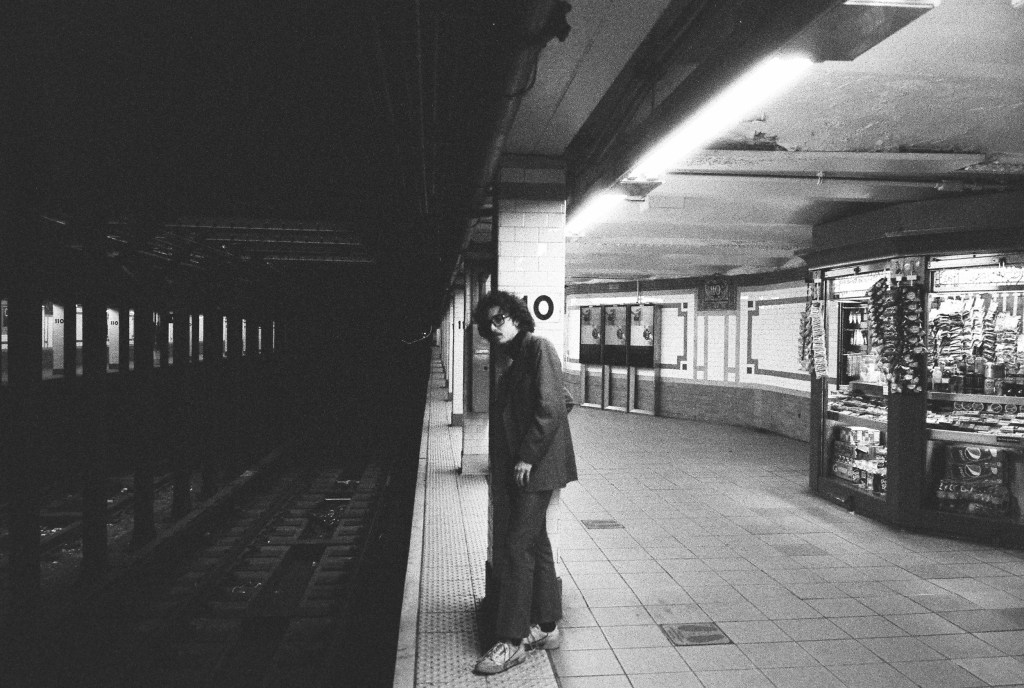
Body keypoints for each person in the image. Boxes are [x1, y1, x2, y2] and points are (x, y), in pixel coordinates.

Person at [471, 290, 578, 676]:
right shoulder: (515, 357)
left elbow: (553, 406)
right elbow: (562, 398)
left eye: (499, 319)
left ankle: (512, 641)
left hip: (535, 469)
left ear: (517, 317)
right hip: (526, 470)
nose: (494, 328)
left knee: (517, 547)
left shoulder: (538, 348)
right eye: (488, 324)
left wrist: (530, 454)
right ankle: (547, 627)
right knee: (537, 542)